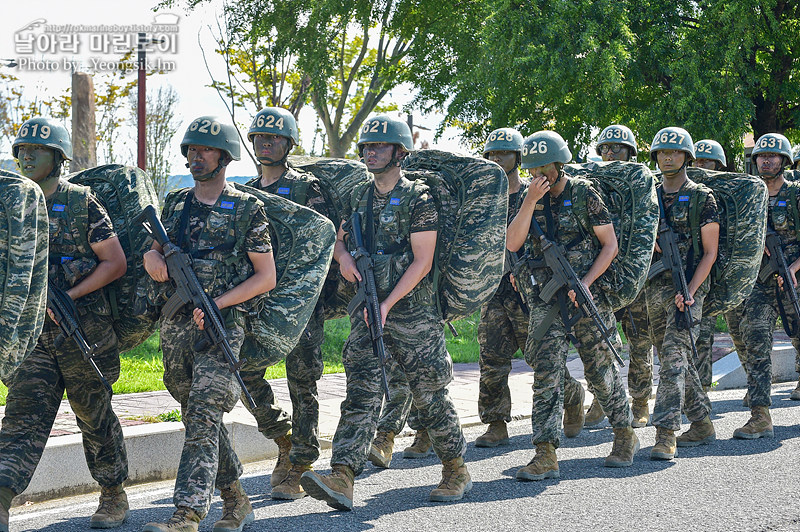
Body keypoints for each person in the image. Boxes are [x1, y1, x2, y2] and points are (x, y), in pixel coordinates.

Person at [300, 115, 471, 510]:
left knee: (429, 395)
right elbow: (340, 238)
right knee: (361, 391)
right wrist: (343, 259)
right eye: (366, 147)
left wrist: (388, 304)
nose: (369, 152)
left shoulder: (419, 198)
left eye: (378, 146)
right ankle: (342, 474)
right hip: (367, 308)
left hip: (412, 312)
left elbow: (422, 261)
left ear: (399, 152)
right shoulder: (360, 196)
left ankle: (455, 467)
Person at [142, 116, 276, 532]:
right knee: (193, 409)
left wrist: (217, 304)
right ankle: (236, 498)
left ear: (224, 157)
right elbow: (152, 249)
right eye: (191, 150)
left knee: (204, 409)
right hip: (178, 322)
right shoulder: (177, 202)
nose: (195, 157)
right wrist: (154, 260)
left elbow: (265, 276)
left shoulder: (247, 207)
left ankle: (188, 512)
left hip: (223, 323)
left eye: (204, 150)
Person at [0, 117, 129, 530]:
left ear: (57, 157)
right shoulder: (12, 206)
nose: (26, 156)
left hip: (82, 332)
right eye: (20, 150)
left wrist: (68, 297)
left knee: (93, 416)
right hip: (33, 336)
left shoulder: (80, 202)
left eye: (35, 150)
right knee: (22, 417)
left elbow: (115, 262)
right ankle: (1, 497)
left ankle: (112, 493)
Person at [507, 130, 637, 480]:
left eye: (544, 168)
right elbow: (513, 242)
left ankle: (625, 433)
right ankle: (545, 452)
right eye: (531, 169)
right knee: (546, 373)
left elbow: (609, 245)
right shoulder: (527, 198)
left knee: (600, 372)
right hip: (546, 299)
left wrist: (588, 283)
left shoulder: (583, 194)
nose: (538, 176)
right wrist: (529, 201)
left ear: (559, 164)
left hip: (584, 295)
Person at [239, 107, 334, 499]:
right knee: (242, 369)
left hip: (300, 300)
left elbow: (320, 242)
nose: (266, 142)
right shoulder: (244, 190)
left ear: (289, 143)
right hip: (256, 297)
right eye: (260, 136)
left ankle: (301, 462)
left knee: (302, 379)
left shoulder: (306, 188)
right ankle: (283, 438)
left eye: (274, 137)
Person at [646, 127, 719, 460]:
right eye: (662, 153)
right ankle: (702, 422)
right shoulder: (649, 195)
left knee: (674, 360)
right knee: (674, 360)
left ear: (687, 157)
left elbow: (710, 253)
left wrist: (689, 291)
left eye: (674, 152)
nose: (667, 157)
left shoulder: (703, 197)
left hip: (689, 289)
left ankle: (665, 434)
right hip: (653, 289)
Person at [584, 124, 655, 429]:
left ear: (631, 153)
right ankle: (602, 398)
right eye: (606, 149)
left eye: (618, 149)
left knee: (639, 342)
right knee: (600, 340)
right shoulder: (589, 185)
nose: (611, 154)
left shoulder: (643, 185)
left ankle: (640, 402)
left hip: (637, 276)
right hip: (602, 275)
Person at [736, 133, 798, 439]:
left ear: (784, 161)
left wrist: (794, 270)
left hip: (795, 280)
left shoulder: (796, 194)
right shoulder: (750, 198)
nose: (766, 160)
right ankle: (760, 415)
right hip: (760, 283)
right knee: (756, 343)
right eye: (761, 156)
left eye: (772, 157)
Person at [691, 139, 727, 391]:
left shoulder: (725, 195)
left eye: (707, 161)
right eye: (698, 161)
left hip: (717, 270)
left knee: (704, 335)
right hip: (685, 269)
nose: (701, 165)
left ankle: (702, 389)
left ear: (719, 165)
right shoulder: (686, 193)